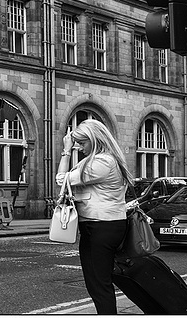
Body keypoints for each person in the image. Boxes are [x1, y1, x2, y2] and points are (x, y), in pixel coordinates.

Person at [55, 119, 134, 315]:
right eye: (78, 143)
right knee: (96, 283)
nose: (80, 147)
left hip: (102, 227)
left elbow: (61, 180)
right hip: (97, 226)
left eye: (82, 143)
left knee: (99, 284)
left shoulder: (103, 162)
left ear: (95, 139)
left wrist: (66, 150)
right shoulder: (97, 159)